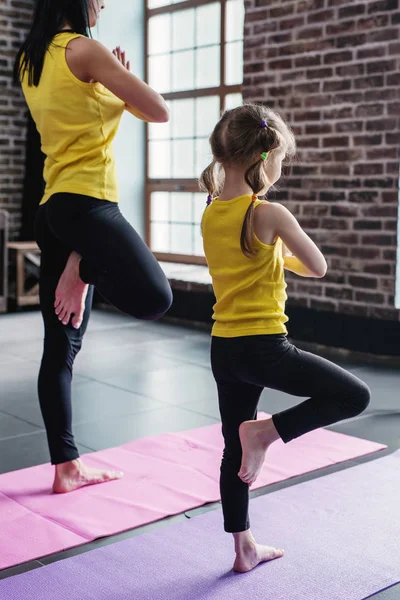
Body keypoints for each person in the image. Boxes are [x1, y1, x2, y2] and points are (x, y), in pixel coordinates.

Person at [200, 104, 371, 573]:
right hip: (263, 347)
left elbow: (253, 260)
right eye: (280, 159)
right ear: (265, 157)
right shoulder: (270, 212)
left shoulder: (212, 210)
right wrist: (285, 235)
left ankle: (243, 548)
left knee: (232, 449)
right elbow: (318, 265)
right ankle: (268, 432)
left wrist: (277, 248)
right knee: (354, 395)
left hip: (224, 348)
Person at [14, 0, 173, 493]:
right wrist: (118, 80)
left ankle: (66, 468)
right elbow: (159, 109)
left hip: (53, 208)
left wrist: (108, 84)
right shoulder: (86, 50)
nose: (103, 3)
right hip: (90, 204)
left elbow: (81, 118)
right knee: (155, 298)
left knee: (58, 348)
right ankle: (80, 270)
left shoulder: (30, 58)